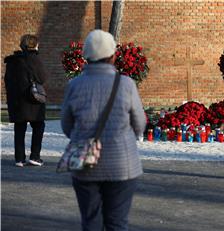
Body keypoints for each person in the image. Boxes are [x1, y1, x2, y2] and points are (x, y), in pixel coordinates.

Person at [61, 30, 146, 231]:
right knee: (117, 223)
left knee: (91, 222)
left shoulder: (75, 85)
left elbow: (66, 125)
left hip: (85, 165)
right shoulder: (126, 84)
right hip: (122, 165)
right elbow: (140, 123)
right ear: (113, 55)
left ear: (86, 56)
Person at [4, 34, 47, 167]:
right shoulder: (35, 59)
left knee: (19, 128)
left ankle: (19, 159)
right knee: (39, 126)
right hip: (33, 100)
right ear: (34, 45)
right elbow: (42, 78)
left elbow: (7, 81)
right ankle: (35, 156)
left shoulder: (12, 61)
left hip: (17, 101)